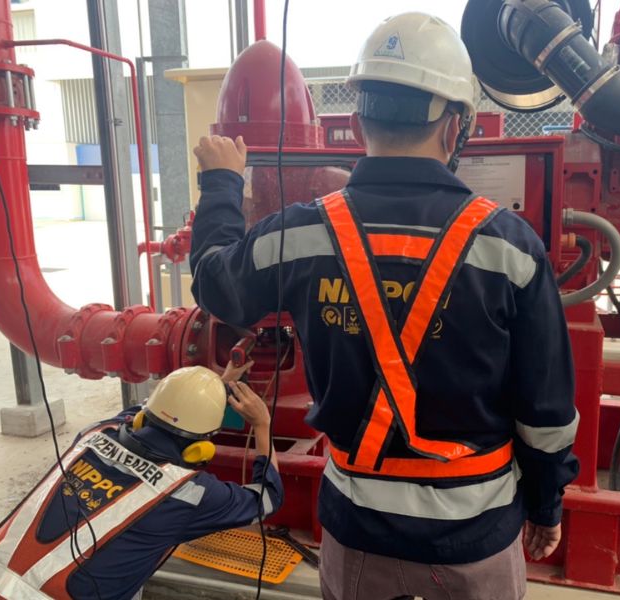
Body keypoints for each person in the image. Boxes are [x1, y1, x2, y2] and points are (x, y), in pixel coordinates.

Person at [189, 11, 578, 600]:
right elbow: (546, 414)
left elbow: (215, 284)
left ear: (356, 122)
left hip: (357, 536)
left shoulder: (300, 234)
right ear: (456, 127)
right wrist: (546, 506)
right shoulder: (510, 247)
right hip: (475, 539)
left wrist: (221, 183)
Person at [0, 362, 281, 600]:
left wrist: (213, 388)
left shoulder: (96, 432)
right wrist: (262, 424)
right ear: (200, 449)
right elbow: (268, 498)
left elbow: (144, 412)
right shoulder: (189, 493)